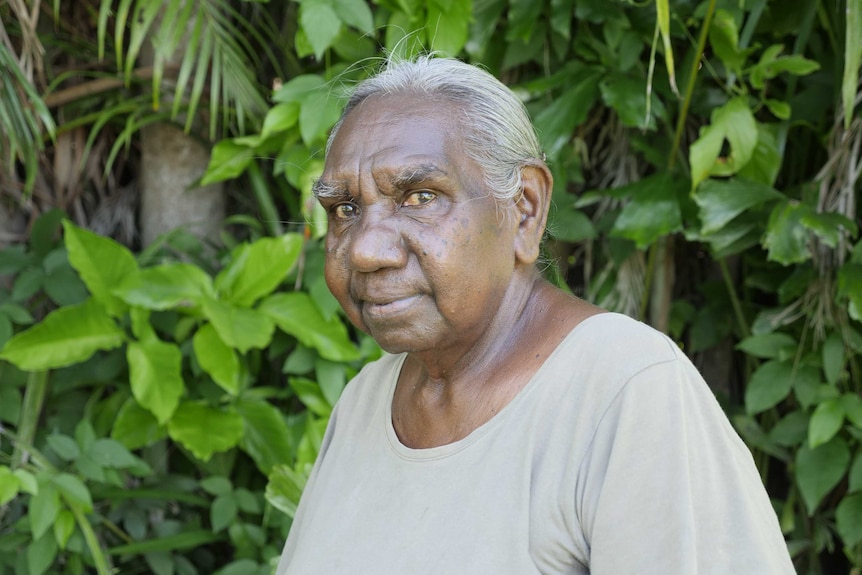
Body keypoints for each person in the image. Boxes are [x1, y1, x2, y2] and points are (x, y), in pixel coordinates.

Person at [274, 55, 795, 574]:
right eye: (345, 209)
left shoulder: (626, 390)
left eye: (420, 197)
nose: (366, 250)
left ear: (524, 209)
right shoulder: (367, 401)